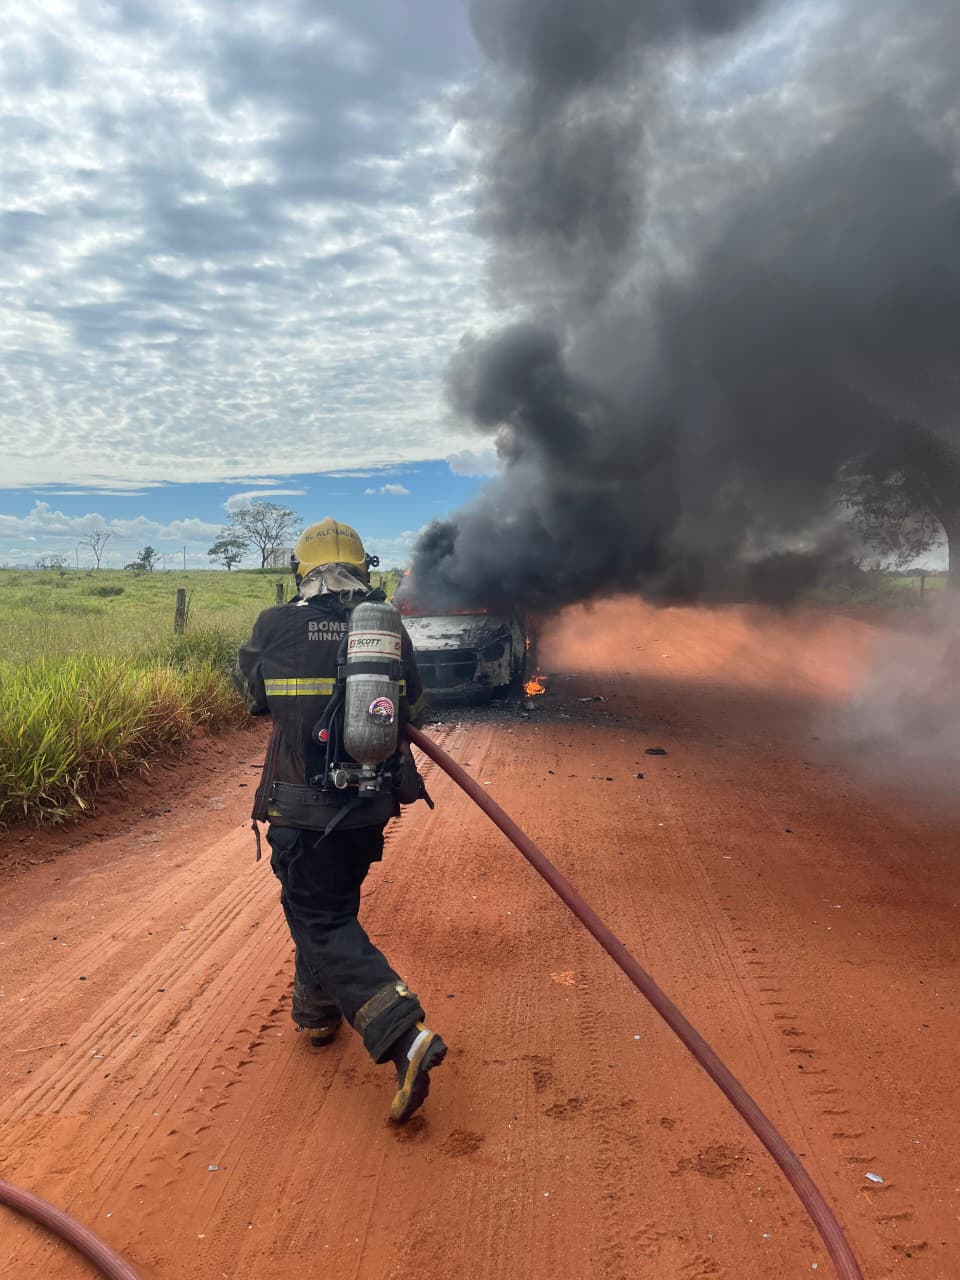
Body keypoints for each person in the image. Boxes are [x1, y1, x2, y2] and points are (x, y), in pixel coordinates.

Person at [233, 518, 446, 1123]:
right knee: (330, 905)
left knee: (318, 916)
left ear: (300, 571)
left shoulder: (274, 624)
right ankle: (318, 1013)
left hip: (301, 812)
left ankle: (402, 1034)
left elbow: (251, 699)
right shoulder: (385, 626)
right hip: (367, 810)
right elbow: (417, 707)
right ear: (362, 569)